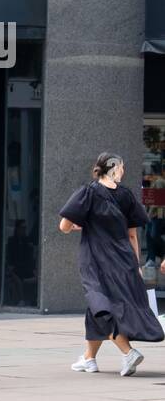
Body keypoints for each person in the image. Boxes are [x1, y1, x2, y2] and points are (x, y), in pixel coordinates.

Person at [60, 153, 164, 375]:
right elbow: (133, 236)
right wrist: (135, 265)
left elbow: (64, 225)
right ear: (115, 168)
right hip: (124, 259)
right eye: (122, 167)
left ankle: (128, 353)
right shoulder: (126, 195)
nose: (124, 171)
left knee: (101, 306)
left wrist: (79, 226)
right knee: (97, 306)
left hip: (97, 260)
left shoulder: (87, 192)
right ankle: (89, 358)